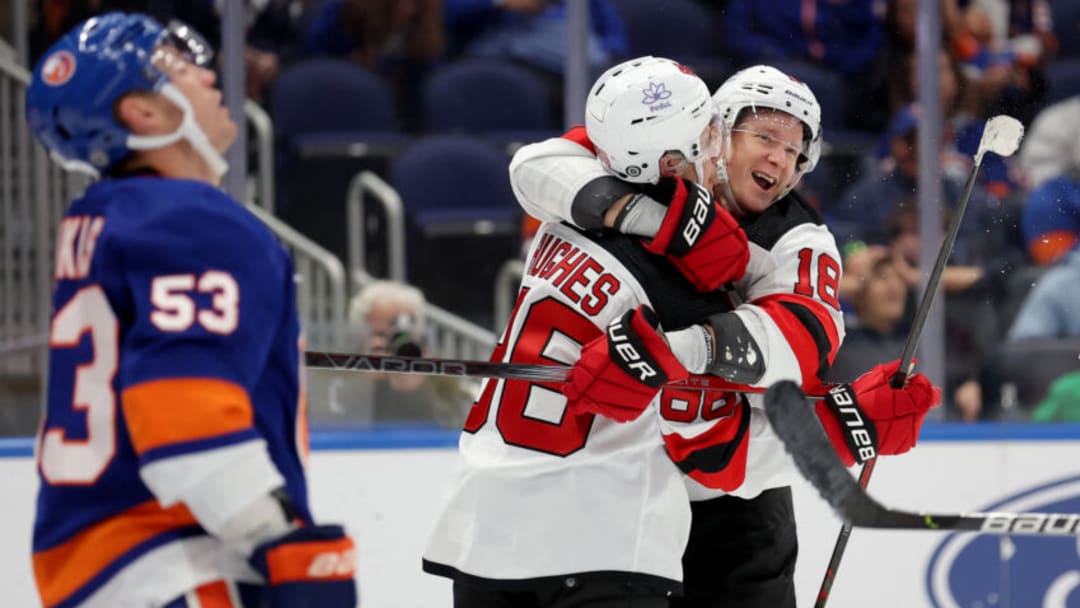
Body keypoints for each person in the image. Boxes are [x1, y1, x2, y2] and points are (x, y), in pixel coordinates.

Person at [425, 57, 940, 607]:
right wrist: (651, 219)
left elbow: (801, 341)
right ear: (713, 130)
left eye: (794, 152)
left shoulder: (797, 237)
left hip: (728, 519)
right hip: (630, 501)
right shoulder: (638, 189)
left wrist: (684, 348)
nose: (779, 159)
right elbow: (536, 164)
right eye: (764, 134)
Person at [26, 13, 356, 608]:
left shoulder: (101, 218)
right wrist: (280, 536)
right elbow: (180, 409)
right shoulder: (193, 221)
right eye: (179, 71)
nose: (207, 77)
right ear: (144, 115)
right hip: (179, 560)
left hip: (96, 569)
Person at [311, 280, 475, 428]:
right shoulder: (334, 366)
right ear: (361, 333)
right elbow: (323, 422)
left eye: (403, 336)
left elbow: (459, 422)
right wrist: (365, 383)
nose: (394, 345)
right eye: (382, 335)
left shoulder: (440, 370)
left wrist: (418, 387)